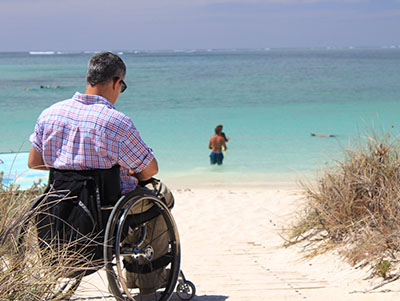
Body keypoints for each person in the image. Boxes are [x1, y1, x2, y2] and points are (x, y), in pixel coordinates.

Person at [28, 52, 164, 294]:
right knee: (162, 196)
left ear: (88, 78)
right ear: (116, 82)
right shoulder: (116, 122)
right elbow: (150, 169)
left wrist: (71, 166)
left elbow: (35, 162)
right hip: (108, 208)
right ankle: (145, 279)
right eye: (122, 86)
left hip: (62, 204)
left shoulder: (50, 114)